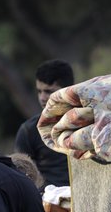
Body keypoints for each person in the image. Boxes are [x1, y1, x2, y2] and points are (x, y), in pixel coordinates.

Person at [15, 59, 74, 187]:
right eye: (39, 91)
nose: (42, 98)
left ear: (67, 90)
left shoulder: (87, 123)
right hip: (48, 202)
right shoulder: (29, 130)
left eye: (48, 91)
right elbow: (21, 176)